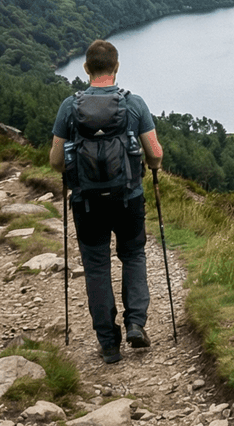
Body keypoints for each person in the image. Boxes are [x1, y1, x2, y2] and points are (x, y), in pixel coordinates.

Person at [50, 39, 164, 364]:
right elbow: (154, 152)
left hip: (86, 202)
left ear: (86, 68)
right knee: (133, 255)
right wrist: (154, 168)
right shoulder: (134, 104)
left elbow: (56, 161)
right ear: (116, 67)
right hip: (128, 197)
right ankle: (136, 324)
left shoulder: (69, 108)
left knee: (96, 267)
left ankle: (108, 343)